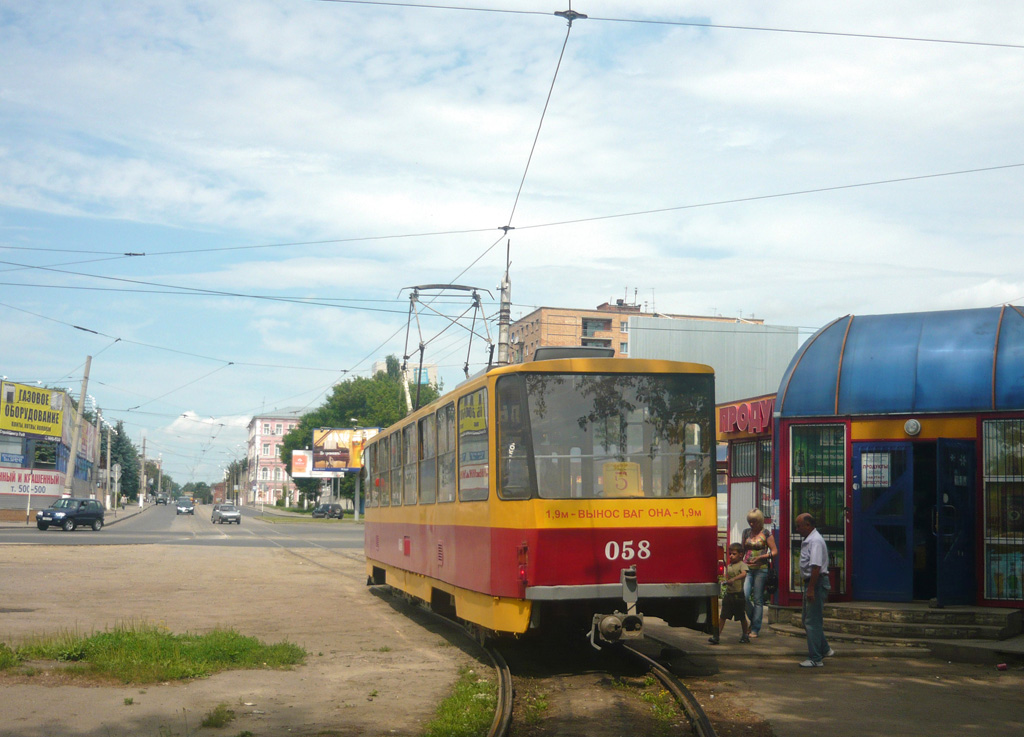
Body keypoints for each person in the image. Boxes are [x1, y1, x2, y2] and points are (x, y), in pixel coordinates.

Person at [796, 512, 836, 667]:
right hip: (813, 583)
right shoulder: (810, 540)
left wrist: (811, 588)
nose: (797, 529)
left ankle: (815, 658)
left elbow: (816, 567)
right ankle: (824, 648)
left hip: (816, 583)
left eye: (799, 526)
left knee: (812, 621)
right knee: (808, 619)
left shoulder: (815, 541)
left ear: (808, 525)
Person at [741, 508, 778, 638]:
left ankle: (755, 628)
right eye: (750, 521)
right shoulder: (746, 533)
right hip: (747, 568)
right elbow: (742, 550)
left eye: (754, 521)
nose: (751, 524)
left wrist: (762, 557)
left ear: (760, 521)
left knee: (758, 599)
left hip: (761, 569)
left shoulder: (766, 533)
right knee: (743, 596)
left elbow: (774, 551)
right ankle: (753, 618)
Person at [708, 543, 751, 645]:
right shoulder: (729, 566)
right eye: (730, 554)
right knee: (723, 616)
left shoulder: (742, 565)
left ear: (741, 555)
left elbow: (744, 573)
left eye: (734, 554)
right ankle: (717, 635)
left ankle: (745, 635)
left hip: (738, 596)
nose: (731, 556)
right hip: (729, 595)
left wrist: (734, 579)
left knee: (741, 617)